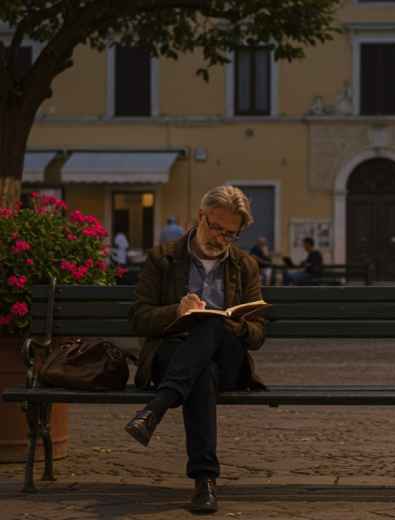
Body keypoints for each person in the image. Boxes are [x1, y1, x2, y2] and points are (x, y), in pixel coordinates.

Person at [126, 185, 266, 514]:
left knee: (213, 322)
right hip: (171, 356)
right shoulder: (163, 259)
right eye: (215, 227)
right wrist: (176, 311)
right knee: (200, 372)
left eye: (230, 234)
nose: (220, 237)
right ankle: (205, 482)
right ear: (200, 217)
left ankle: (155, 409)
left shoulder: (245, 265)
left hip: (228, 360)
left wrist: (233, 325)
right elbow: (138, 319)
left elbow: (258, 334)